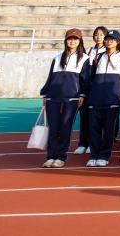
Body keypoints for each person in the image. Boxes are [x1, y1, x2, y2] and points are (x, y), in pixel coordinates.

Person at [39, 28, 89, 168]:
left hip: (72, 99)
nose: (72, 41)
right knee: (53, 128)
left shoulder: (85, 58)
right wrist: (46, 94)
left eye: (75, 39)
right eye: (69, 39)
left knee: (65, 128)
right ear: (66, 41)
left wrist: (82, 95)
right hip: (53, 98)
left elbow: (85, 79)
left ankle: (61, 156)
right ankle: (51, 156)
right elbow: (50, 77)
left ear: (80, 41)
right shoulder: (57, 58)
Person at [86, 30, 120, 167]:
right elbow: (91, 76)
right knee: (93, 128)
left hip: (112, 99)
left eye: (112, 39)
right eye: (107, 39)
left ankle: (104, 155)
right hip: (96, 98)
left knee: (108, 130)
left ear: (117, 42)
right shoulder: (98, 56)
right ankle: (93, 155)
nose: (108, 42)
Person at [75, 25, 107, 156]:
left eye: (101, 35)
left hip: (99, 90)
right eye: (96, 34)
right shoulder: (89, 50)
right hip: (87, 89)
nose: (98, 37)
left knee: (97, 119)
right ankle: (83, 143)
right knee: (84, 117)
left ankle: (93, 144)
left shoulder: (108, 52)